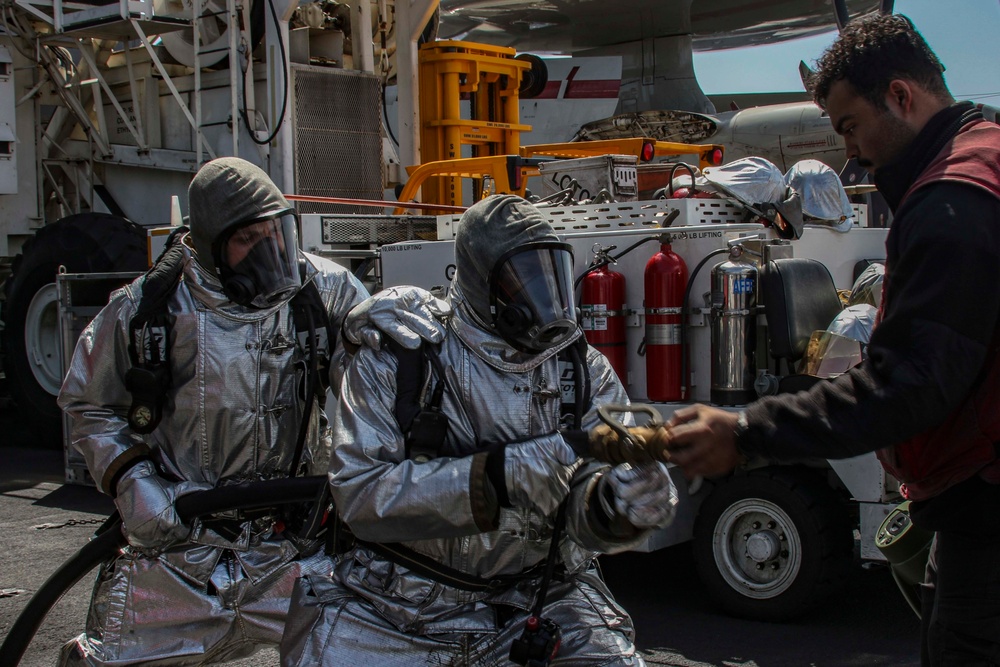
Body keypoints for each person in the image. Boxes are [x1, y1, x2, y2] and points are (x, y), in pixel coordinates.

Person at [665, 14, 1000, 667]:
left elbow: (907, 384)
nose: (850, 153)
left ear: (901, 97)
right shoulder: (987, 155)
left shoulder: (951, 200)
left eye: (849, 126)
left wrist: (746, 429)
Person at [57, 156, 450, 666]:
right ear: (207, 244)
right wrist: (135, 486)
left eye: (277, 231)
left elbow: (374, 396)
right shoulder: (147, 310)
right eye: (248, 239)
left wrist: (376, 345)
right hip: (178, 549)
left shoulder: (321, 293)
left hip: (296, 549)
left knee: (376, 649)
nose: (270, 250)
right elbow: (88, 403)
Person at [279, 194, 679, 666]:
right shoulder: (403, 353)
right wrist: (503, 476)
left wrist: (617, 506)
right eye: (521, 279)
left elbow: (589, 504)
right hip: (395, 610)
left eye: (549, 275)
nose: (541, 299)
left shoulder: (581, 370)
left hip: (541, 601)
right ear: (475, 282)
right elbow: (359, 494)